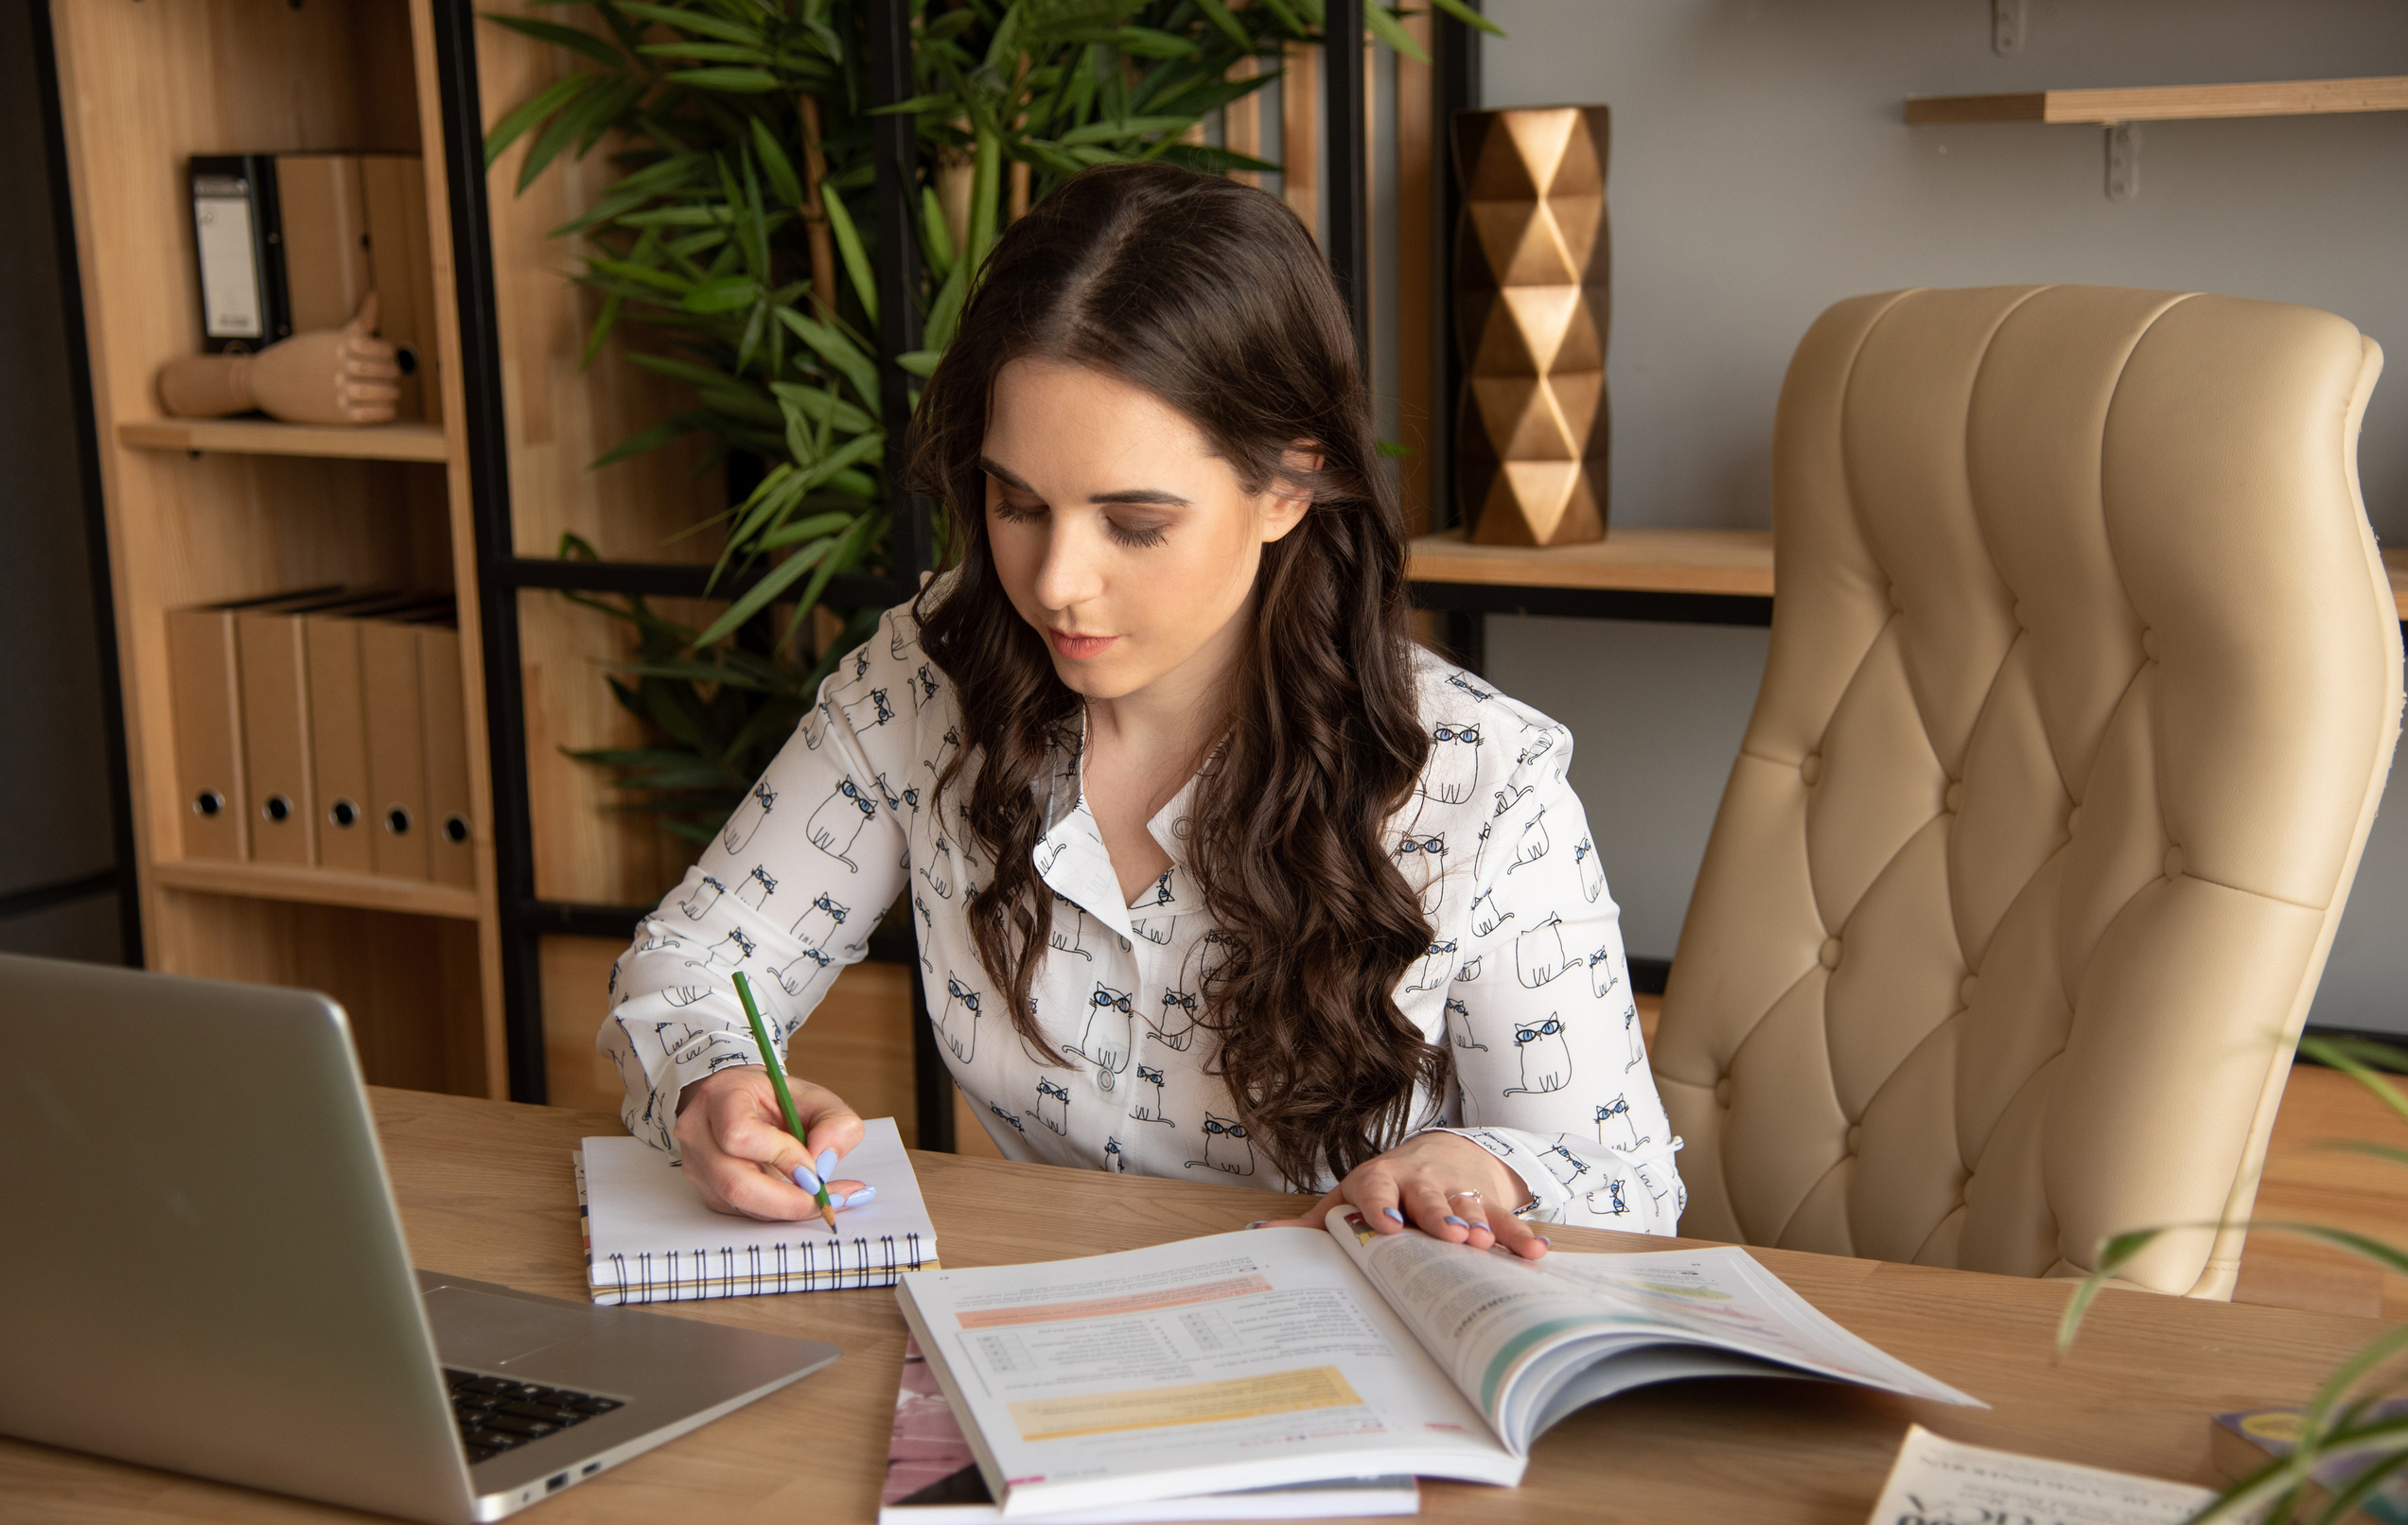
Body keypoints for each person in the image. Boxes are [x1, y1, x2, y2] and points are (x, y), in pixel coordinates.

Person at [598, 162, 1682, 1255]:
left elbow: (1626, 1185)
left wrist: (1476, 1161)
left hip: (1359, 1372)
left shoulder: (1477, 779)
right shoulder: (925, 678)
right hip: (1046, 1333)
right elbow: (695, 958)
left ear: (1286, 486)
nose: (1058, 579)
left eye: (1134, 523)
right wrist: (715, 1082)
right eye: (1018, 503)